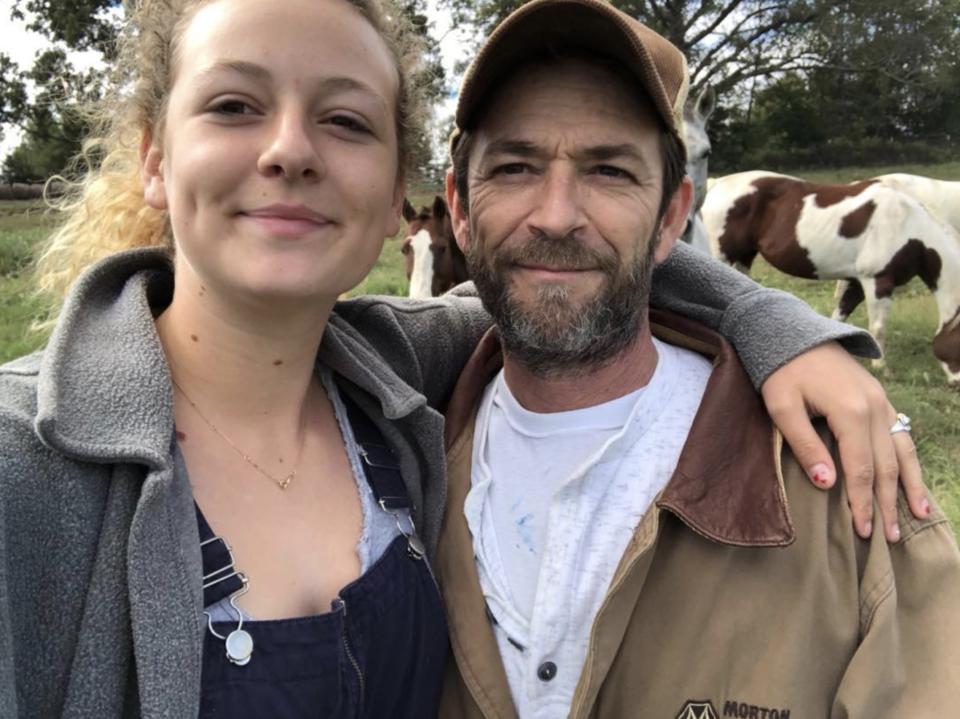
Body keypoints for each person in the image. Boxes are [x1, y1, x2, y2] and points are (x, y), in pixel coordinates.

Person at [0, 0, 932, 717]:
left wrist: (787, 334)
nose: (289, 149)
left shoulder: (394, 379)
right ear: (155, 157)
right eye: (235, 105)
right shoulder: (22, 463)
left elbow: (579, 269)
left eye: (346, 121)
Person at [434, 0, 960, 716]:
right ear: (460, 208)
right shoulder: (390, 460)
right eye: (516, 166)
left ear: (672, 218)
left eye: (611, 171)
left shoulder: (849, 492)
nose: (556, 215)